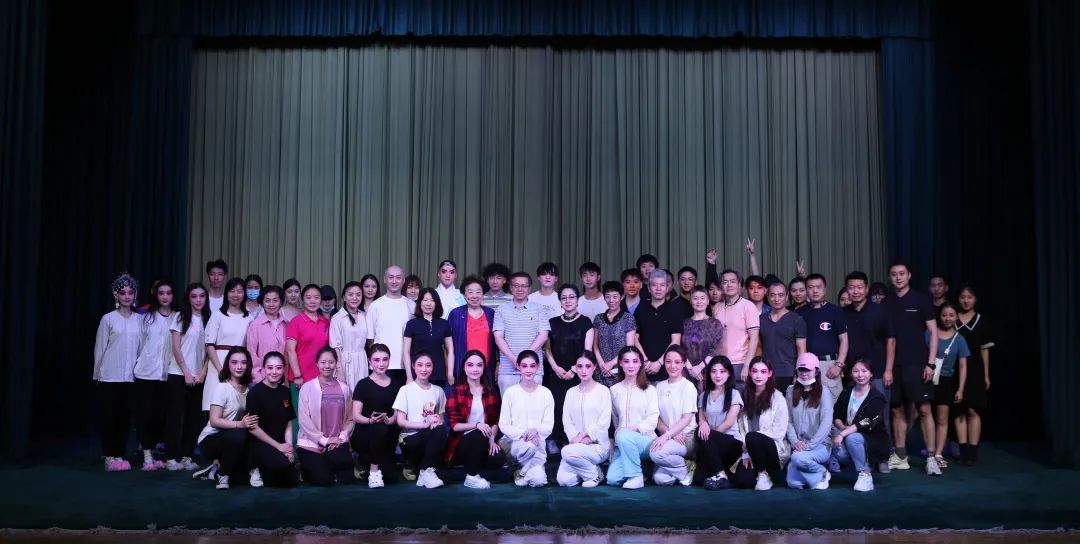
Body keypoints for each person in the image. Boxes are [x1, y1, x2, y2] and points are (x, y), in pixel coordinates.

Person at [883, 262, 940, 475]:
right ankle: (900, 456)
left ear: (909, 275)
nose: (898, 277)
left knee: (924, 409)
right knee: (896, 409)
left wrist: (931, 363)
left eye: (901, 274)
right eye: (894, 274)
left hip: (918, 363)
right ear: (890, 277)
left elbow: (933, 333)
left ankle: (932, 458)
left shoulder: (921, 300)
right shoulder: (887, 303)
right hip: (894, 365)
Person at [843, 271, 896, 473]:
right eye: (851, 287)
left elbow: (891, 341)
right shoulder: (843, 313)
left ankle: (883, 458)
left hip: (878, 372)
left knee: (880, 418)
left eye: (859, 287)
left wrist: (889, 369)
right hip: (853, 375)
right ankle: (861, 457)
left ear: (866, 288)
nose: (855, 291)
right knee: (855, 417)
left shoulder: (881, 312)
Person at [94, 273, 142, 471]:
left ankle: (119, 454)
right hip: (110, 376)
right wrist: (97, 375)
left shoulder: (139, 320)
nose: (127, 296)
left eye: (130, 292)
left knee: (124, 417)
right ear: (116, 295)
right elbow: (100, 348)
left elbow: (142, 348)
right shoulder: (108, 319)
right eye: (123, 293)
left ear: (135, 295)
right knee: (109, 417)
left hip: (130, 377)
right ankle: (109, 455)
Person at [196, 347, 255, 490]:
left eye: (243, 362)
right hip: (210, 439)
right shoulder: (222, 387)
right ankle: (223, 474)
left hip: (234, 439)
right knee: (240, 434)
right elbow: (214, 421)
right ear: (228, 364)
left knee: (242, 479)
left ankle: (215, 470)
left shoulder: (249, 389)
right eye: (234, 362)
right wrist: (240, 424)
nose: (239, 366)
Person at [165, 282, 210, 471]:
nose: (198, 300)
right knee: (175, 417)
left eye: (202, 296)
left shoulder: (209, 319)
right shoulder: (180, 317)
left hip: (199, 377)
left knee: (195, 419)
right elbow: (176, 348)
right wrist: (186, 372)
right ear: (188, 299)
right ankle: (170, 457)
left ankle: (187, 456)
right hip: (178, 374)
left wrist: (202, 373)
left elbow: (209, 350)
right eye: (194, 296)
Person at [544, 283, 593, 452]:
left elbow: (587, 350)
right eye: (563, 298)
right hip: (555, 373)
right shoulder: (552, 323)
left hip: (578, 373)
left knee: (574, 408)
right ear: (559, 301)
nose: (568, 300)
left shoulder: (586, 322)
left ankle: (573, 440)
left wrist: (574, 369)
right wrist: (555, 367)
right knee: (556, 406)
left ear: (577, 300)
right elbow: (547, 349)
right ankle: (555, 440)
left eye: (571, 297)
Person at [446, 350, 505, 489]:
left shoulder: (490, 390)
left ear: (484, 368)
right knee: (479, 433)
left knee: (498, 458)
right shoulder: (457, 390)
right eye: (470, 365)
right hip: (462, 442)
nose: (475, 369)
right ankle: (471, 477)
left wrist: (492, 441)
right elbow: (454, 425)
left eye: (479, 365)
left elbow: (494, 421)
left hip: (485, 438)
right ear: (464, 367)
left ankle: (476, 463)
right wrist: (476, 425)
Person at [297, 347, 355, 486]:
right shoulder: (307, 388)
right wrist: (324, 440)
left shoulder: (345, 389)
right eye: (323, 362)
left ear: (336, 363)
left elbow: (350, 418)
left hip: (336, 442)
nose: (327, 366)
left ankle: (326, 464)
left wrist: (342, 437)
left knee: (347, 478)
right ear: (317, 364)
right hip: (311, 443)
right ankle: (307, 469)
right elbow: (304, 420)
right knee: (324, 480)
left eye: (331, 362)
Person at [134, 279, 176, 470]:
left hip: (168, 373)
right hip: (146, 372)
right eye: (161, 293)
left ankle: (159, 450)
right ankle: (147, 454)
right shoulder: (146, 317)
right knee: (146, 413)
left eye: (168, 293)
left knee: (162, 414)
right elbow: (140, 343)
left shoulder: (178, 317)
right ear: (156, 295)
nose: (165, 297)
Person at [499, 350, 555, 487]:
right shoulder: (510, 393)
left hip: (538, 444)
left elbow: (548, 425)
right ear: (518, 366)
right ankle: (518, 465)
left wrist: (536, 431)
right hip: (516, 444)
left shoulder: (546, 393)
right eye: (524, 366)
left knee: (539, 481)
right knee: (529, 446)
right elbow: (503, 425)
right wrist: (524, 434)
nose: (528, 370)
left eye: (532, 366)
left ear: (538, 367)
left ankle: (521, 471)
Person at [606, 346, 659, 489]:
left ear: (641, 363)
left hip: (646, 441)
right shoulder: (614, 390)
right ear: (620, 363)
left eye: (635, 361)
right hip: (623, 442)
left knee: (623, 434)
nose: (631, 365)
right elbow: (616, 421)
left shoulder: (650, 390)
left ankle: (636, 476)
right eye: (626, 361)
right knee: (612, 479)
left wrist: (629, 429)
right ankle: (642, 467)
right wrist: (618, 438)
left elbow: (652, 420)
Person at [831, 359, 888, 492]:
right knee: (838, 451)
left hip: (872, 439)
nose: (860, 375)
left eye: (864, 371)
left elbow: (866, 422)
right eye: (856, 371)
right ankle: (860, 467)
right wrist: (842, 427)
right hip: (849, 434)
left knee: (853, 438)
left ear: (871, 374)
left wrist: (842, 434)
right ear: (851, 374)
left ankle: (865, 474)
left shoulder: (877, 397)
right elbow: (836, 416)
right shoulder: (846, 392)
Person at [393, 352, 448, 488]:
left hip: (430, 437)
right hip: (410, 438)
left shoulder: (438, 391)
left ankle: (425, 471)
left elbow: (441, 420)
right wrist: (424, 425)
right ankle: (415, 466)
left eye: (428, 365)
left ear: (433, 367)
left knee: (440, 430)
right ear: (413, 366)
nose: (424, 369)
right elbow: (400, 421)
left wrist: (436, 421)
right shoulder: (405, 390)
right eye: (420, 365)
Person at [557, 352, 612, 487]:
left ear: (594, 367)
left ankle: (594, 475)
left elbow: (604, 422)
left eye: (588, 366)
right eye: (580, 366)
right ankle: (590, 469)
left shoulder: (603, 391)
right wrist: (575, 438)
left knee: (566, 452)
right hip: (575, 444)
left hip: (598, 445)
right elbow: (567, 420)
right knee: (564, 481)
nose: (583, 370)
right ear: (575, 368)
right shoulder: (571, 392)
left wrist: (587, 436)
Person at [350, 344, 401, 488]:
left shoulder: (396, 385)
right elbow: (356, 416)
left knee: (391, 478)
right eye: (377, 360)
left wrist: (390, 420)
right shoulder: (363, 384)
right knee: (379, 428)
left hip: (388, 435)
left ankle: (365, 461)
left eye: (385, 359)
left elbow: (397, 413)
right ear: (370, 362)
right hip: (365, 434)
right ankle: (373, 471)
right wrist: (370, 420)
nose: (381, 364)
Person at [245, 352, 299, 487]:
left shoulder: (285, 391)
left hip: (280, 443)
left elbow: (288, 422)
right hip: (260, 443)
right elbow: (253, 428)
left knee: (292, 480)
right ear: (263, 368)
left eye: (278, 368)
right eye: (270, 368)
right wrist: (278, 446)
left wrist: (289, 447)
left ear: (283, 369)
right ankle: (254, 467)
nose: (274, 372)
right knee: (282, 470)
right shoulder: (255, 393)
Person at [954, 284, 993, 465]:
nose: (966, 301)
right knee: (959, 410)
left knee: (973, 409)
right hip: (955, 368)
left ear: (975, 299)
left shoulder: (980, 320)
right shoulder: (952, 318)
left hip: (975, 369)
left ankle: (973, 451)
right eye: (963, 297)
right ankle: (963, 451)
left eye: (969, 297)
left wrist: (986, 375)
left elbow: (985, 350)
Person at [928, 301, 970, 470]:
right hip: (927, 378)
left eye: (951, 315)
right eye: (944, 315)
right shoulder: (930, 333)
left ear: (957, 317)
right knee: (923, 414)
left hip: (945, 381)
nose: (947, 318)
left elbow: (963, 366)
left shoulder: (960, 339)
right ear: (939, 316)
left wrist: (960, 389)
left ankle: (938, 453)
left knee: (942, 419)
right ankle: (929, 451)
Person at [493, 272, 551, 394]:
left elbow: (543, 336)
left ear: (529, 288)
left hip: (534, 370)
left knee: (533, 404)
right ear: (511, 287)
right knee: (509, 404)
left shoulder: (540, 309)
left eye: (524, 286)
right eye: (516, 285)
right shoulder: (501, 310)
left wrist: (524, 360)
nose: (520, 289)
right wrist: (514, 359)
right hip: (508, 371)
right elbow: (498, 338)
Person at [738, 358, 790, 491]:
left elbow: (779, 431)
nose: (758, 375)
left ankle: (763, 473)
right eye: (755, 371)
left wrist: (751, 440)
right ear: (750, 373)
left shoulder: (778, 398)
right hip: (749, 448)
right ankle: (759, 473)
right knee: (743, 481)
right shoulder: (745, 395)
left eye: (763, 371)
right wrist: (746, 449)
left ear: (770, 374)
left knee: (753, 437)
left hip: (772, 449)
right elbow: (741, 427)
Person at [784, 353, 835, 489]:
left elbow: (826, 423)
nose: (804, 373)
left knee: (797, 458)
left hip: (820, 445)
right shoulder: (790, 392)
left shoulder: (824, 392)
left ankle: (820, 470)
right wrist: (795, 442)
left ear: (816, 371)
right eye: (801, 369)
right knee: (793, 483)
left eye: (808, 370)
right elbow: (788, 421)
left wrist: (809, 446)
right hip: (799, 445)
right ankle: (818, 475)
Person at [650, 346, 699, 486]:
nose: (672, 366)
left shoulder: (688, 386)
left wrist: (668, 435)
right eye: (668, 362)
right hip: (669, 436)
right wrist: (669, 433)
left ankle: (687, 469)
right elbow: (656, 417)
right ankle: (684, 467)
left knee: (655, 453)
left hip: (687, 437)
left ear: (683, 364)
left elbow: (686, 418)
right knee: (660, 479)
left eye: (677, 362)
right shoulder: (659, 386)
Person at [795, 273, 848, 400]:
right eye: (811, 287)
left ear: (825, 289)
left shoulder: (835, 311)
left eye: (819, 287)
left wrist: (839, 365)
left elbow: (844, 340)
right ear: (806, 290)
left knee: (833, 404)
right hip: (807, 366)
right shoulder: (799, 313)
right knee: (808, 403)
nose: (815, 291)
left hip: (829, 365)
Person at [203, 278, 253, 411]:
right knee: (215, 404)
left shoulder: (249, 317)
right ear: (226, 293)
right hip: (218, 364)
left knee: (237, 406)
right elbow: (209, 344)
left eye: (239, 291)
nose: (236, 295)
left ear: (244, 294)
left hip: (240, 365)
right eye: (232, 291)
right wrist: (221, 370)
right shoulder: (217, 315)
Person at [695, 356, 744, 490]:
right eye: (714, 371)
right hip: (711, 444)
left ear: (729, 374)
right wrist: (703, 424)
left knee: (703, 435)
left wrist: (710, 435)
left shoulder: (734, 394)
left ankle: (721, 475)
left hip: (731, 442)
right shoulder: (704, 395)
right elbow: (702, 419)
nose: (718, 375)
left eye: (722, 371)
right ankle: (723, 473)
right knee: (699, 480)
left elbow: (729, 422)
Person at [635, 270, 689, 383]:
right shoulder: (640, 309)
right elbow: (634, 338)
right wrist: (645, 361)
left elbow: (675, 341)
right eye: (654, 285)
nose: (658, 289)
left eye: (662, 285)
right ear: (649, 288)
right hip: (643, 368)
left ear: (667, 288)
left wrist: (659, 362)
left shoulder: (674, 310)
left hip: (666, 370)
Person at [365, 266, 416, 384]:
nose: (394, 281)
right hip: (380, 366)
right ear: (385, 280)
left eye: (398, 277)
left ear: (403, 280)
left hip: (405, 366)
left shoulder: (411, 306)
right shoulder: (375, 306)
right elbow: (370, 340)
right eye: (391, 277)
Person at [714, 269, 760, 385]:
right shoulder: (717, 307)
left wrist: (747, 365)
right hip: (720, 362)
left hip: (740, 363)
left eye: (733, 281)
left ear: (739, 285)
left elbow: (754, 338)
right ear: (721, 286)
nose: (729, 285)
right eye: (725, 282)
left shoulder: (748, 306)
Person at [447, 276, 497, 385]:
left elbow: (497, 343)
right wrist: (450, 373)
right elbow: (448, 345)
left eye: (478, 292)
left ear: (483, 294)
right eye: (470, 292)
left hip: (486, 368)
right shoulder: (455, 314)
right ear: (464, 295)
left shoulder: (491, 314)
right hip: (461, 368)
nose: (474, 296)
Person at [759, 281, 807, 391]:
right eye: (772, 295)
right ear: (767, 297)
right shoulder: (761, 319)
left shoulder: (796, 319)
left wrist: (799, 373)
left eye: (780, 295)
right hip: (766, 372)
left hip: (788, 373)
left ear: (786, 297)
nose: (776, 299)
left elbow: (802, 349)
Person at [403, 287, 454, 387]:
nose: (428, 303)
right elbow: (406, 352)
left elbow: (450, 350)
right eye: (425, 300)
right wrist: (409, 376)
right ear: (420, 302)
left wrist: (450, 374)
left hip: (439, 374)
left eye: (432, 300)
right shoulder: (411, 324)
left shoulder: (444, 324)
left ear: (436, 303)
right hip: (417, 374)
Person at [592, 281, 637, 387]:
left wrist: (611, 364)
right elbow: (595, 345)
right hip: (601, 370)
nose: (611, 300)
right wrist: (602, 365)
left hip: (621, 369)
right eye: (607, 296)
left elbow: (629, 347)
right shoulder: (598, 319)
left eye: (615, 296)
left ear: (621, 297)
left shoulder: (628, 318)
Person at [285, 284, 331, 386]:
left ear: (321, 300)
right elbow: (290, 350)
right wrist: (297, 375)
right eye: (308, 297)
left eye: (316, 297)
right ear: (302, 300)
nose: (312, 301)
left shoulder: (325, 322)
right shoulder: (296, 322)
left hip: (322, 377)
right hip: (300, 378)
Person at [329, 281, 369, 391]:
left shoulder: (364, 316)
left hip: (361, 359)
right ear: (344, 297)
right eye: (350, 294)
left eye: (358, 294)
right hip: (344, 361)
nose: (354, 298)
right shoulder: (337, 318)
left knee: (361, 392)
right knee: (346, 393)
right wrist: (339, 369)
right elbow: (335, 346)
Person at [682, 286, 724, 388]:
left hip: (709, 370)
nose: (699, 301)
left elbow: (716, 349)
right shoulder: (684, 323)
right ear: (690, 301)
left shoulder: (715, 324)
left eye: (702, 298)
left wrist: (699, 367)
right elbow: (680, 347)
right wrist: (690, 368)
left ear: (708, 301)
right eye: (695, 298)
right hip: (686, 370)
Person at [245, 285, 287, 384]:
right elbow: (251, 353)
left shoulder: (286, 325)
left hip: (283, 379)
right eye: (267, 301)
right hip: (261, 379)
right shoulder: (255, 325)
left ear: (281, 302)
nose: (271, 304)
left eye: (275, 300)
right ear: (262, 303)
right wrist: (258, 377)